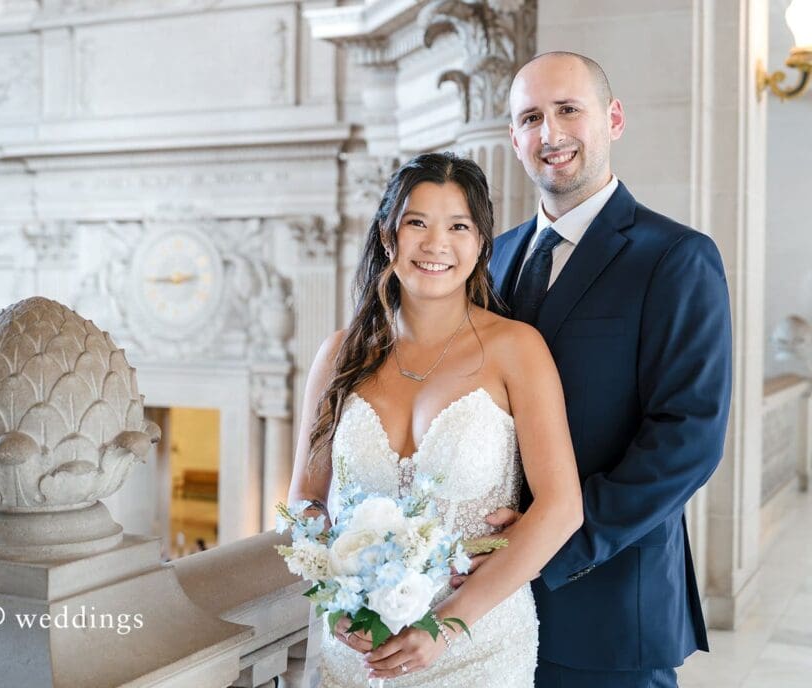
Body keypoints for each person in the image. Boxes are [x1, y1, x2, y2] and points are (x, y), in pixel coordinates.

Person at [457, 51, 732, 688]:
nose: (550, 133)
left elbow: (688, 438)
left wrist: (546, 544)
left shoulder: (676, 258)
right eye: (531, 118)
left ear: (613, 119)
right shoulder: (490, 259)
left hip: (608, 604)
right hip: (482, 607)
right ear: (514, 138)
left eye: (568, 110)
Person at [287, 152, 584, 687]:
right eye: (417, 223)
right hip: (357, 653)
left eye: (458, 227)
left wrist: (446, 625)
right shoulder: (339, 356)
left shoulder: (517, 349)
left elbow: (561, 507)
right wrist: (335, 597)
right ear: (387, 236)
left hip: (477, 645)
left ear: (481, 243)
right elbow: (306, 500)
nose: (435, 244)